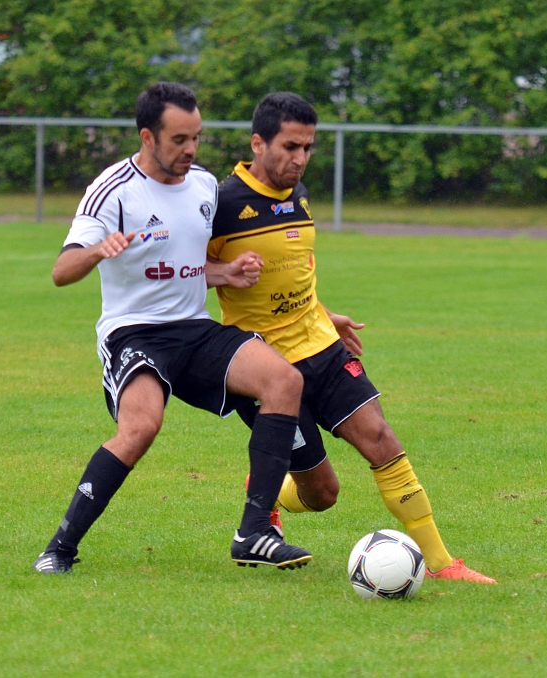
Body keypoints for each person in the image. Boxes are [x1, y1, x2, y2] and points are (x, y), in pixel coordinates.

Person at [207, 92, 496, 584]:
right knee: (322, 494)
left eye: (308, 148)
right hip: (267, 369)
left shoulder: (298, 194)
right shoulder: (222, 203)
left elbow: (294, 272)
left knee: (382, 440)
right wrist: (225, 273)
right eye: (290, 147)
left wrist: (324, 313)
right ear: (258, 143)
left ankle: (443, 563)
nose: (299, 159)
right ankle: (269, 490)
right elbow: (174, 273)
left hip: (321, 345)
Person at [33, 82, 312, 574]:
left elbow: (189, 265)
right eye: (179, 139)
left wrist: (226, 273)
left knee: (284, 381)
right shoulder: (113, 190)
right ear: (148, 136)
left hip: (195, 330)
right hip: (135, 334)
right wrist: (99, 250)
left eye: (196, 138)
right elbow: (61, 271)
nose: (190, 150)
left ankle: (254, 532)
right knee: (140, 427)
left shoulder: (204, 186)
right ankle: (60, 547)